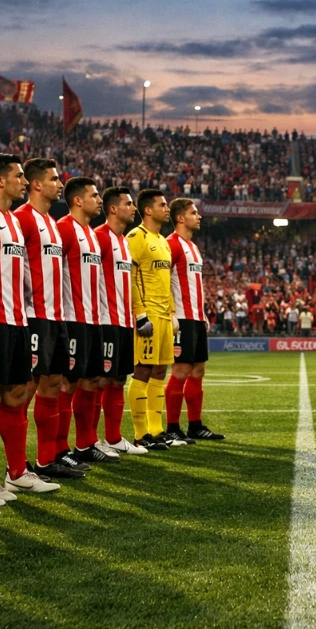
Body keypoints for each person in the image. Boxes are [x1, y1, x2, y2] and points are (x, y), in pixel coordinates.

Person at [0, 154, 59, 496]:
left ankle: (18, 471)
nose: (24, 182)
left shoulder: (12, 220)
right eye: (19, 176)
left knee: (17, 394)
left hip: (18, 319)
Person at [13, 159, 86, 479]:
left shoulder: (53, 225)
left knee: (54, 384)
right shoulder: (22, 220)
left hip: (58, 317)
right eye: (54, 179)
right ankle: (15, 466)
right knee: (25, 388)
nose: (60, 184)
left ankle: (46, 459)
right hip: (34, 316)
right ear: (37, 184)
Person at [55, 177, 108, 468]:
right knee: (68, 382)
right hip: (72, 319)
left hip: (93, 318)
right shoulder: (64, 229)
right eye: (94, 195)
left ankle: (86, 442)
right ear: (77, 200)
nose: (99, 200)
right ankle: (61, 448)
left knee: (92, 379)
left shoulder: (90, 233)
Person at [94, 186, 147, 457]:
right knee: (100, 380)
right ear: (113, 208)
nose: (134, 208)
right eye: (128, 204)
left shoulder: (124, 242)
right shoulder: (98, 238)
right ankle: (91, 441)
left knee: (118, 380)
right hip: (105, 321)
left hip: (124, 322)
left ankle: (113, 438)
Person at [166, 198, 225, 441]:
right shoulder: (171, 244)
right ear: (180, 218)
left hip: (196, 317)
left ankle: (195, 425)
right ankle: (171, 428)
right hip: (180, 317)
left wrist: (202, 315)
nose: (198, 216)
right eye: (193, 212)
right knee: (180, 370)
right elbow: (161, 280)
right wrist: (169, 312)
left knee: (198, 369)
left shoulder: (193, 247)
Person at [127, 189, 179, 450]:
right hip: (147, 315)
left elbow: (165, 282)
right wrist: (139, 314)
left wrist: (172, 312)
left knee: (160, 371)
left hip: (164, 316)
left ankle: (156, 430)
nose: (166, 208)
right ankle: (140, 434)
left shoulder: (164, 241)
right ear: (148, 210)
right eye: (162, 204)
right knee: (143, 371)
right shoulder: (137, 237)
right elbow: (130, 277)